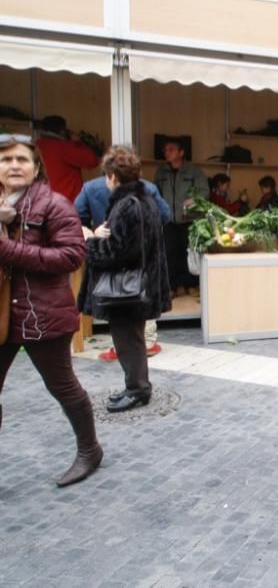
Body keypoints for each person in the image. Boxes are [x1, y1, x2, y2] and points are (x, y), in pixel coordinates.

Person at [0, 133, 102, 487]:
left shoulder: (55, 205)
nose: (14, 165)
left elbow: (72, 256)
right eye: (6, 159)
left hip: (41, 314)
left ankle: (90, 450)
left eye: (22, 159)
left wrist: (8, 250)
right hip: (0, 315)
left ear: (36, 167)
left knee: (63, 387)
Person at [78, 147, 171, 412]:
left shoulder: (127, 205)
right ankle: (137, 386)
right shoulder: (143, 199)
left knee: (128, 341)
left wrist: (90, 242)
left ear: (112, 176)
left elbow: (118, 252)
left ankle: (138, 391)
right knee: (133, 340)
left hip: (127, 292)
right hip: (139, 287)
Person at [154, 140, 208, 297]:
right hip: (168, 220)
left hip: (188, 219)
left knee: (188, 252)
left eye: (171, 149)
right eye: (165, 150)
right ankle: (171, 287)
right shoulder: (161, 172)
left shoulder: (193, 171)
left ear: (181, 153)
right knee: (169, 252)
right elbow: (155, 193)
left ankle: (190, 285)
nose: (167, 152)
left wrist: (194, 200)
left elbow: (204, 192)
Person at [34, 115, 101, 202]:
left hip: (42, 200)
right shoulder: (64, 147)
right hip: (67, 202)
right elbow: (92, 161)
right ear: (62, 131)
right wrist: (78, 142)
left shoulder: (36, 146)